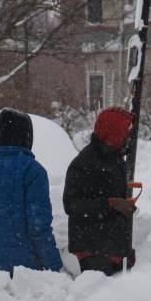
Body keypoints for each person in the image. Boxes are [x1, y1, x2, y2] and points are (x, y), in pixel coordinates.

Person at [0, 109, 63, 276]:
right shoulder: (33, 170)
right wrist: (54, 266)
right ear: (27, 136)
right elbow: (38, 226)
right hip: (28, 273)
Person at [63, 106, 137, 276]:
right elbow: (71, 205)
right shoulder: (83, 164)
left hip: (111, 246)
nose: (128, 137)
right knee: (99, 300)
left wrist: (124, 248)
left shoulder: (115, 157)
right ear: (113, 133)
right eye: (126, 132)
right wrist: (110, 203)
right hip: (93, 249)